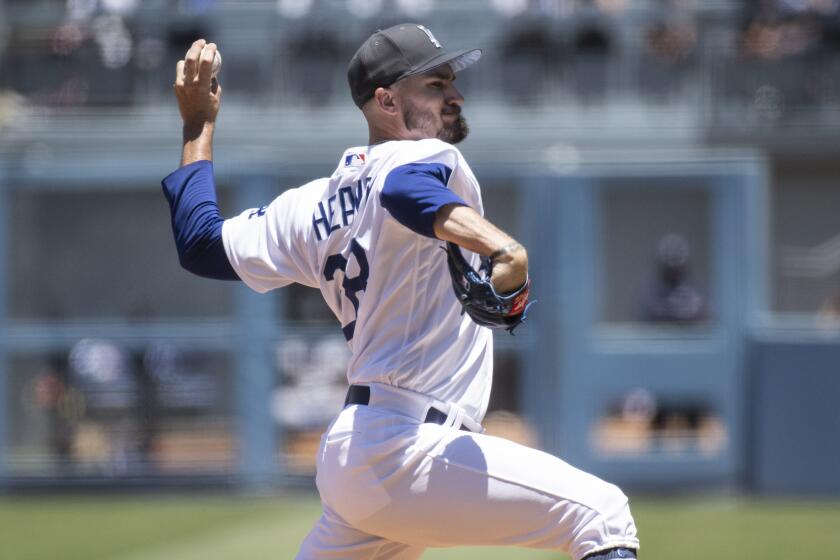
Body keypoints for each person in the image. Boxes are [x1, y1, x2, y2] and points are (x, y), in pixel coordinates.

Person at [162, 24, 639, 560]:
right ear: (387, 100)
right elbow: (401, 191)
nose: (455, 95)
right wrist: (504, 247)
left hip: (361, 454)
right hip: (411, 445)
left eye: (451, 81)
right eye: (435, 85)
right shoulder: (416, 158)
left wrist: (198, 124)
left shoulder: (308, 205)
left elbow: (201, 243)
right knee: (602, 515)